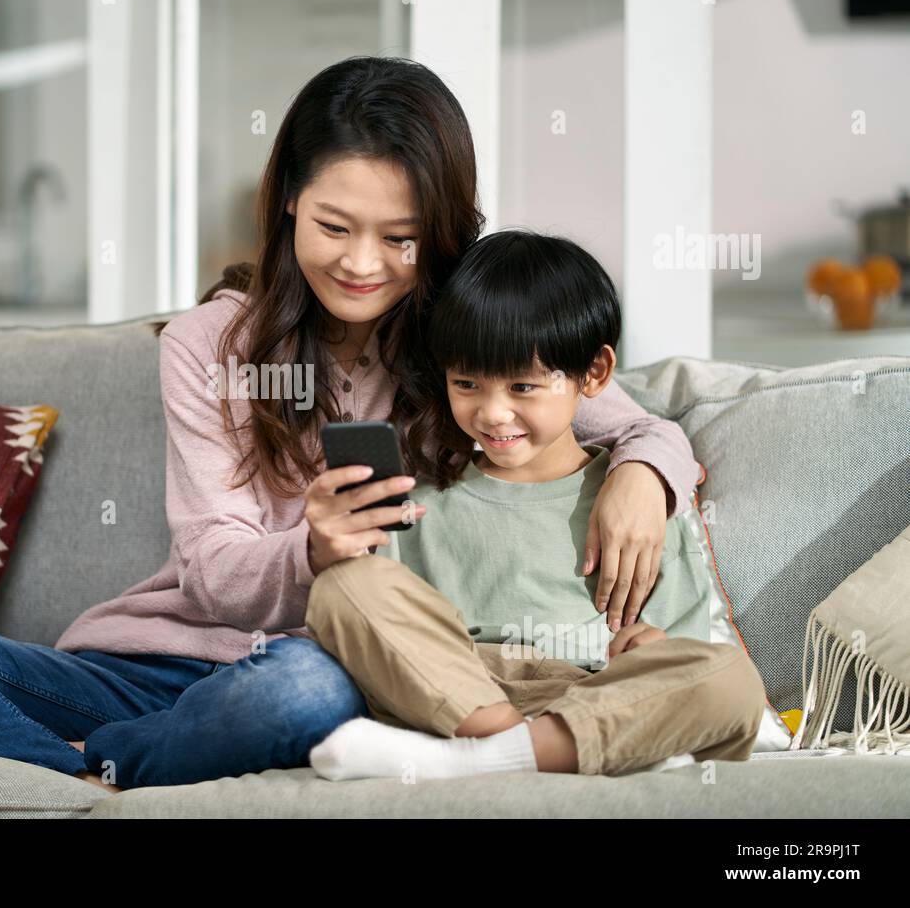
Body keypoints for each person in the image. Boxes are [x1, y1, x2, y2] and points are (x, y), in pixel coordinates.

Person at [0, 56, 700, 791]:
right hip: (151, 666)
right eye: (336, 226)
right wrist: (311, 554)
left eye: (401, 238)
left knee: (308, 687)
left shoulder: (470, 341)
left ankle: (95, 763)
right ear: (288, 195)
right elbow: (211, 573)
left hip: (311, 677)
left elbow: (634, 422)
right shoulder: (214, 342)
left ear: (442, 231)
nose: (364, 263)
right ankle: (91, 765)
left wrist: (642, 473)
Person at [303, 230, 767, 781]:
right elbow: (392, 636)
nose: (494, 414)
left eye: (523, 387)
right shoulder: (419, 504)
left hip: (597, 698)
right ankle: (508, 750)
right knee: (340, 585)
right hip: (463, 697)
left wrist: (651, 646)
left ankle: (483, 761)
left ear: (593, 374)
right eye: (467, 383)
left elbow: (682, 654)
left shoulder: (638, 504)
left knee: (732, 680)